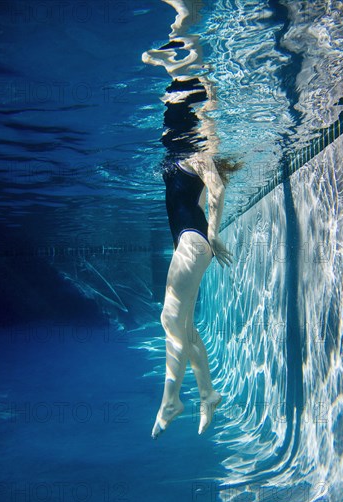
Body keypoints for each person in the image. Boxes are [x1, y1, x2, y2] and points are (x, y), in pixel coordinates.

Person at [142, 1, 241, 439]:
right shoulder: (186, 145)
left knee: (170, 320)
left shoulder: (197, 150)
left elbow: (217, 189)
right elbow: (213, 189)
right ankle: (205, 393)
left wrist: (213, 236)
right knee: (184, 324)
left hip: (193, 242)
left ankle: (171, 399)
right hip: (190, 242)